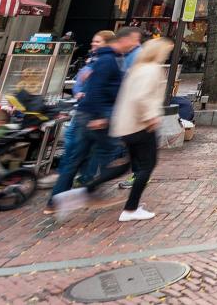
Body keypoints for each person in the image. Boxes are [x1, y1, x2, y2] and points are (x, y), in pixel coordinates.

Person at [53, 38, 173, 221]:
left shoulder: (136, 68)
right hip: (141, 125)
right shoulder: (153, 70)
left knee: (125, 165)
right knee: (146, 167)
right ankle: (130, 209)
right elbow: (141, 98)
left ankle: (83, 191)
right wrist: (150, 118)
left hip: (126, 125)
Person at [45, 26, 141, 216]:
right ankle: (87, 191)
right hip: (95, 116)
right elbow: (96, 89)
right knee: (112, 157)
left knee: (77, 159)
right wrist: (99, 117)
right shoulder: (108, 60)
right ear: (123, 40)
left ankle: (57, 200)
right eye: (134, 39)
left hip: (89, 115)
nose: (137, 44)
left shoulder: (107, 59)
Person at [64, 30, 115, 186]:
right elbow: (80, 81)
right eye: (94, 41)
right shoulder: (93, 59)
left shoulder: (107, 61)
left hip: (93, 111)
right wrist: (77, 91)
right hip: (83, 109)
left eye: (98, 41)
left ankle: (86, 177)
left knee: (88, 148)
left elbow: (104, 88)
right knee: (72, 143)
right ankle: (74, 177)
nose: (94, 44)